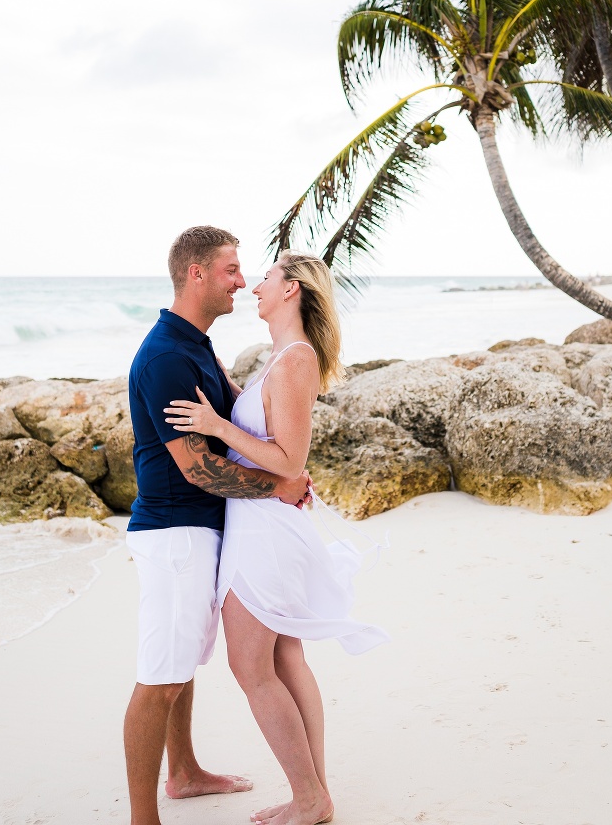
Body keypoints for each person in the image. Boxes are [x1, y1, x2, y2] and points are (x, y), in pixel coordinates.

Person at [166, 251, 388, 825]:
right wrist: (213, 370)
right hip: (259, 524)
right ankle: (313, 792)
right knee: (285, 656)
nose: (253, 285)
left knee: (252, 666)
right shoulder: (279, 361)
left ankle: (311, 796)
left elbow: (289, 459)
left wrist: (215, 425)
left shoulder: (295, 361)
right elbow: (265, 426)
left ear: (291, 290)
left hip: (265, 531)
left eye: (264, 277)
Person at [124, 227, 311, 825]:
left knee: (182, 663)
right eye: (232, 269)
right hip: (175, 531)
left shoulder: (196, 346)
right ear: (197, 273)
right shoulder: (167, 358)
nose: (242, 280)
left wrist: (287, 469)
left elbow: (243, 426)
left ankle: (183, 772)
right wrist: (278, 487)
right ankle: (142, 817)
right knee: (161, 676)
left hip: (198, 530)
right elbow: (198, 468)